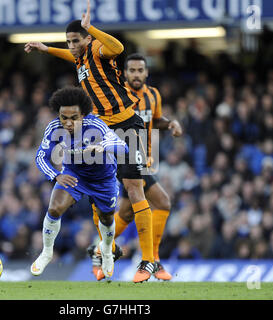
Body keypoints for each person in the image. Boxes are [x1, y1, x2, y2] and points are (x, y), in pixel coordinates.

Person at [25, 0, 157, 282]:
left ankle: (148, 260)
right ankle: (104, 249)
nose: (72, 45)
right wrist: (47, 49)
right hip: (97, 127)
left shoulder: (96, 48)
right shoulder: (79, 57)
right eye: (69, 41)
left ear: (87, 39)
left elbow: (119, 49)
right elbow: (69, 54)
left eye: (76, 40)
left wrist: (91, 29)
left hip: (125, 122)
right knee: (100, 198)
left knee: (134, 187)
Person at [89, 53, 183, 281]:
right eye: (132, 70)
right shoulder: (116, 95)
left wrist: (170, 123)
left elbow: (154, 120)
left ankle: (100, 249)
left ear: (146, 72)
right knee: (161, 201)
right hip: (121, 157)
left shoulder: (153, 95)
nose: (136, 74)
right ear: (125, 73)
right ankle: (153, 260)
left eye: (140, 70)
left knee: (128, 213)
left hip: (143, 159)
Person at [30, 87, 128, 281]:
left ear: (83, 114)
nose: (68, 122)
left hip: (103, 179)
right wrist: (56, 176)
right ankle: (47, 252)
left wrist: (103, 146)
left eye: (73, 117)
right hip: (74, 174)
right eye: (63, 117)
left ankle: (107, 251)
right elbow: (40, 156)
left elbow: (123, 146)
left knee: (107, 219)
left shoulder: (96, 125)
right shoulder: (53, 128)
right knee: (55, 208)